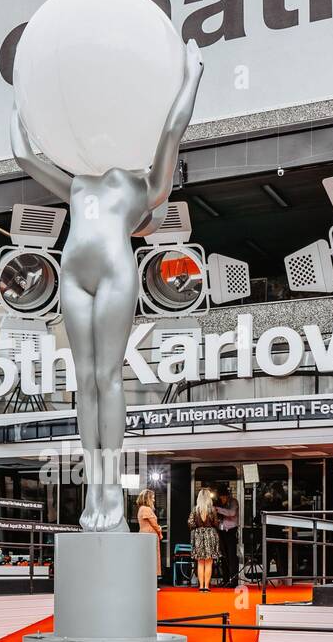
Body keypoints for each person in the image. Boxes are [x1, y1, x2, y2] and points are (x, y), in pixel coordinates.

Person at [11, 40, 204, 533]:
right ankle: (93, 490)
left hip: (113, 274)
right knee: (86, 381)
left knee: (107, 378)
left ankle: (109, 487)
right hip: (74, 277)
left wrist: (192, 76)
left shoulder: (142, 186)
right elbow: (25, 158)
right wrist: (22, 99)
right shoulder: (78, 182)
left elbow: (172, 129)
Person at [188, 488, 220, 591]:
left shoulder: (195, 509)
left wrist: (197, 528)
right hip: (210, 535)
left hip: (198, 536)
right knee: (209, 562)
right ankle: (207, 586)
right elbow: (216, 523)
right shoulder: (212, 509)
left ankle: (201, 586)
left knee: (200, 562)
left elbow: (190, 523)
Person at [136, 488, 163, 578]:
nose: (154, 500)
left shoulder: (141, 509)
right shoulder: (146, 509)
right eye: (152, 498)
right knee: (151, 559)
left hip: (146, 535)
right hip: (149, 536)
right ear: (147, 498)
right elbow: (154, 524)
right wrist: (159, 529)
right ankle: (150, 580)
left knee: (147, 558)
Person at [216, 485, 240, 587]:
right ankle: (225, 579)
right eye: (221, 497)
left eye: (223, 497)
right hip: (221, 532)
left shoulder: (233, 502)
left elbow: (232, 513)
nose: (222, 499)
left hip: (231, 531)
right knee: (223, 557)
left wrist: (218, 509)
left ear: (227, 496)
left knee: (232, 557)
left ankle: (233, 581)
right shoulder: (219, 503)